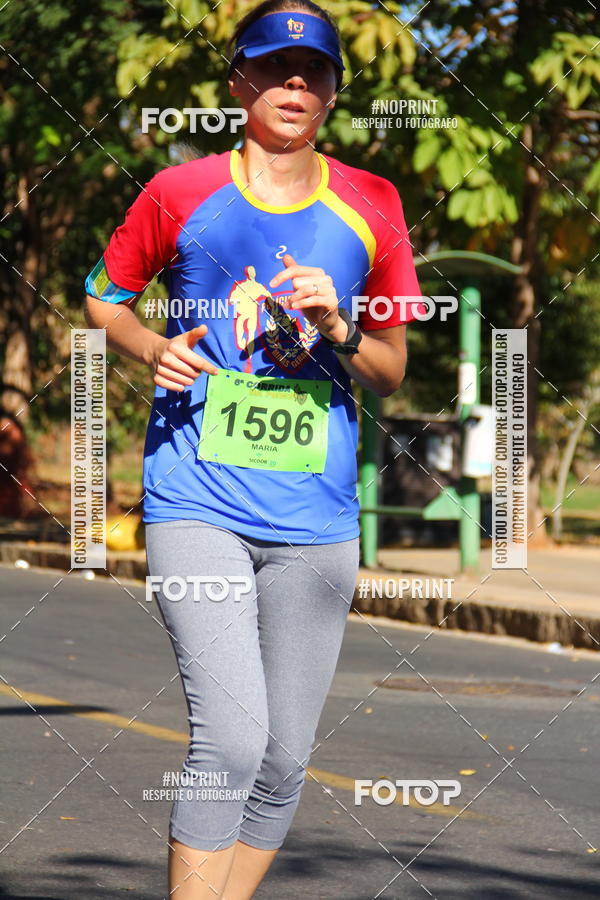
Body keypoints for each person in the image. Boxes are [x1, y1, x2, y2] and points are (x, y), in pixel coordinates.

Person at [84, 0, 421, 895]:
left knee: (281, 759)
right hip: (198, 498)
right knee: (230, 739)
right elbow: (102, 295)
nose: (295, 84)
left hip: (316, 518)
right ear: (240, 81)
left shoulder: (373, 206)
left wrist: (342, 327)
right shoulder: (180, 191)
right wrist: (156, 348)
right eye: (274, 67)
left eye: (314, 72)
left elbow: (389, 367)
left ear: (335, 92)